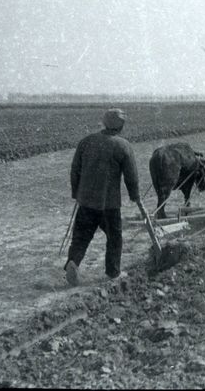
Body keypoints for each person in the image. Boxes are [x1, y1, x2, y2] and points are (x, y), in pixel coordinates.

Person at [65, 108, 140, 287]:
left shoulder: (86, 142)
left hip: (86, 201)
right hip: (109, 203)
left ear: (104, 122)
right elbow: (132, 176)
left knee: (81, 236)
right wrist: (134, 195)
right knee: (114, 237)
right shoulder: (123, 145)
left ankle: (73, 263)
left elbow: (75, 170)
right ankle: (113, 272)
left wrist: (77, 193)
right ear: (120, 126)